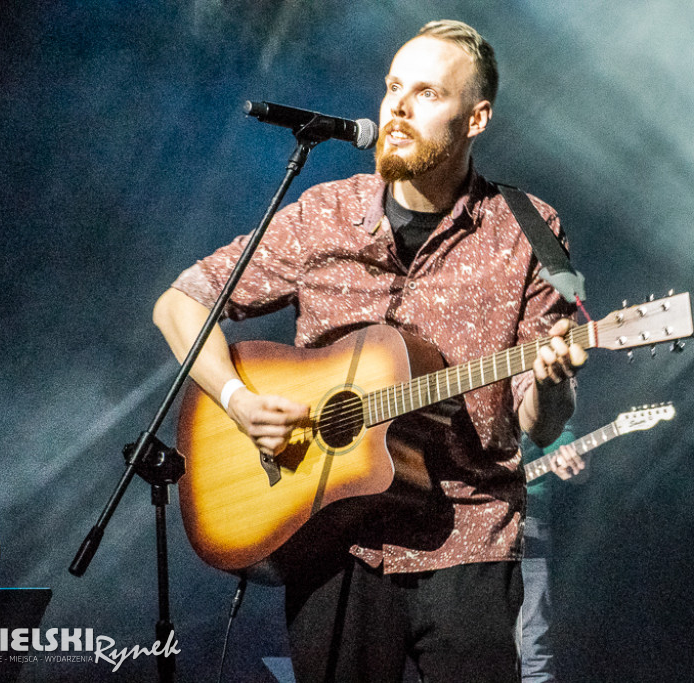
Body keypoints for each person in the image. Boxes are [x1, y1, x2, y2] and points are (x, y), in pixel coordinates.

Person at [153, 19, 585, 683]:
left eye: (428, 93)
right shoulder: (324, 215)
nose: (399, 108)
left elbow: (540, 422)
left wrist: (553, 378)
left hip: (467, 538)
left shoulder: (528, 228)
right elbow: (181, 302)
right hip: (333, 541)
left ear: (476, 118)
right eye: (392, 88)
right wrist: (235, 399)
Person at [519, 427, 587, 682]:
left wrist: (568, 451)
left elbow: (560, 429)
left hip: (525, 524)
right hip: (456, 530)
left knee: (531, 650)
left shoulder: (543, 385)